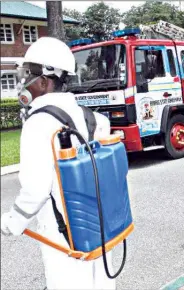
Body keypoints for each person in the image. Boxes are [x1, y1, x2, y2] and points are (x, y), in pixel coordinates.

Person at [0, 37, 113, 289]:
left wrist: (12, 222)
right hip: (99, 226)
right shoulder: (91, 117)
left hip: (62, 236)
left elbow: (35, 190)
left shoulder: (38, 123)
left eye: (27, 74)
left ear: (43, 81)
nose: (23, 82)